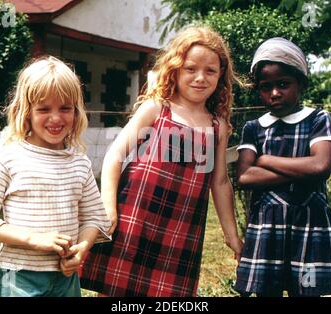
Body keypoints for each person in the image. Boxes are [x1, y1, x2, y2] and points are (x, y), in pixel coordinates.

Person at [79, 25, 244, 297]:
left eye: (210, 71)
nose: (200, 78)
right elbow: (115, 155)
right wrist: (109, 209)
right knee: (115, 290)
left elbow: (221, 182)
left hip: (182, 226)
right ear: (176, 68)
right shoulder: (157, 108)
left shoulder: (218, 126)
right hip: (135, 215)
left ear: (221, 75)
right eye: (191, 68)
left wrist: (232, 236)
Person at [0, 56, 111, 297]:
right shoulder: (9, 158)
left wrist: (82, 248)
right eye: (43, 109)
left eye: (65, 108)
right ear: (26, 112)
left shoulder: (80, 163)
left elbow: (95, 218)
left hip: (66, 279)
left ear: (76, 112)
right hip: (20, 277)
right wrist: (34, 239)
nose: (56, 118)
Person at [234, 38, 331, 297]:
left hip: (308, 223)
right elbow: (244, 176)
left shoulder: (317, 120)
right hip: (267, 227)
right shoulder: (254, 128)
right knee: (267, 291)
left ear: (301, 84)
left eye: (283, 84)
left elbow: (320, 166)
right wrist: (300, 169)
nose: (274, 93)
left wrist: (265, 160)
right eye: (266, 87)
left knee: (307, 290)